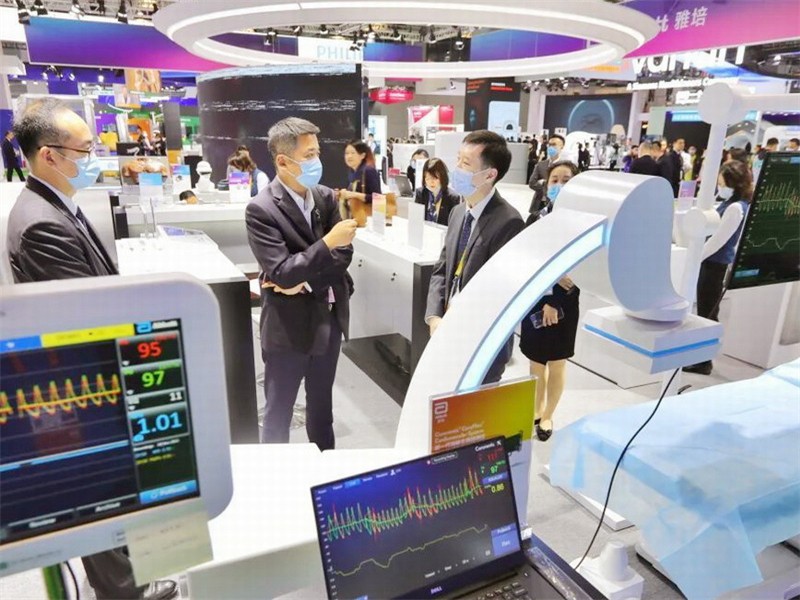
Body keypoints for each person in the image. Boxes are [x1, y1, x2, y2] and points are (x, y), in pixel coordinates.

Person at [6, 98, 177, 600]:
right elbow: (87, 315)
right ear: (48, 155)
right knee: (99, 485)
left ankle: (128, 577)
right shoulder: (40, 221)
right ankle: (123, 591)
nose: (95, 158)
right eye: (85, 150)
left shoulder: (56, 204)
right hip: (82, 379)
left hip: (86, 370)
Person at [245, 117, 357, 449]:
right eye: (309, 155)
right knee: (278, 415)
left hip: (328, 321)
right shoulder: (261, 209)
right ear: (283, 161)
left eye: (317, 152)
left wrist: (304, 281)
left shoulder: (325, 197)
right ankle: (278, 476)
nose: (317, 161)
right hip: (288, 330)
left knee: (322, 411)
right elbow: (282, 271)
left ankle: (325, 466)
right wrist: (327, 243)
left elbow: (344, 254)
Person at [426, 130, 524, 384]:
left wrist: (458, 324)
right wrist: (435, 316)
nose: (456, 169)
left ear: (489, 175)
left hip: (481, 344)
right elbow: (442, 268)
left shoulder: (509, 222)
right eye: (458, 159)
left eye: (465, 163)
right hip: (446, 333)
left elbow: (499, 294)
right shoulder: (458, 212)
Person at [519, 161, 581, 441]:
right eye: (555, 179)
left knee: (557, 362)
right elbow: (526, 258)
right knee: (535, 361)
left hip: (564, 302)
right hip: (534, 298)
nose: (559, 185)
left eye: (566, 180)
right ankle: (535, 408)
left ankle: (547, 415)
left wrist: (555, 300)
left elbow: (582, 267)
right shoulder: (536, 218)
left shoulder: (583, 223)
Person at [684, 160, 752, 375]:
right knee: (705, 310)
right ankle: (700, 357)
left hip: (715, 264)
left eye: (722, 183)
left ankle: (704, 361)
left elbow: (719, 240)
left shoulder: (735, 208)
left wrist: (696, 257)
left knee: (708, 313)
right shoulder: (732, 203)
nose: (720, 186)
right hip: (712, 263)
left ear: (733, 182)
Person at [413, 157, 460, 225]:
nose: (431, 182)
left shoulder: (453, 197)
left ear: (442, 177)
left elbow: (454, 224)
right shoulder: (420, 193)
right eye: (427, 178)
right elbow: (416, 218)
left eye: (435, 178)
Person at [339, 140, 381, 206]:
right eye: (346, 153)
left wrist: (354, 195)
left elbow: (379, 198)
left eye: (353, 153)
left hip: (369, 211)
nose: (349, 156)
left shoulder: (369, 171)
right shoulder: (352, 171)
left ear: (362, 155)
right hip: (355, 211)